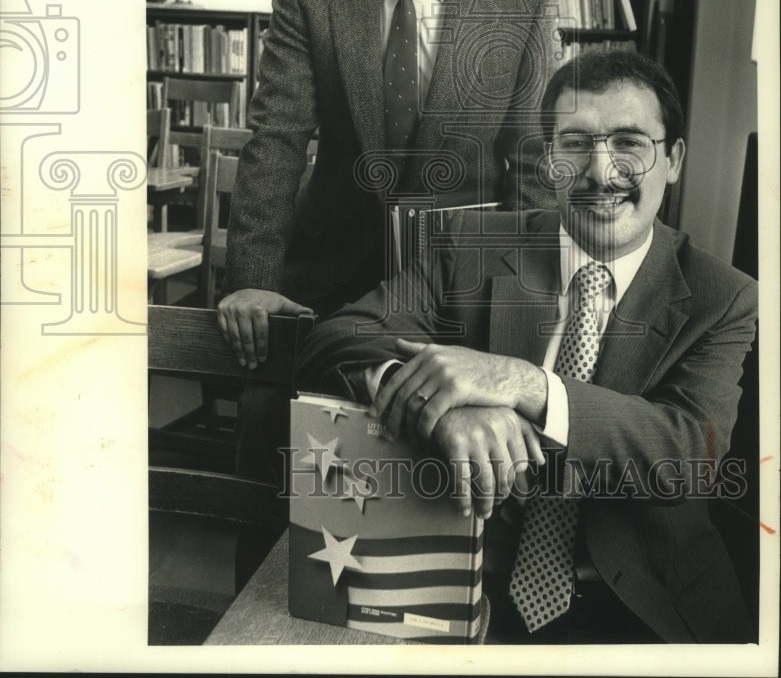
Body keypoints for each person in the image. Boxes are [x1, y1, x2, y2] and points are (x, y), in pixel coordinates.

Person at [296, 49, 758, 644]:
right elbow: (333, 339)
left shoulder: (723, 296)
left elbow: (690, 458)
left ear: (672, 161)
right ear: (546, 163)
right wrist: (442, 405)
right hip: (466, 579)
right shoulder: (468, 244)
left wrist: (526, 384)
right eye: (574, 144)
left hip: (645, 604)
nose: (600, 171)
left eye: (629, 143)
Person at [218, 0, 560, 369]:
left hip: (461, 302)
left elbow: (532, 171)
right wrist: (252, 281)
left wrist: (515, 316)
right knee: (287, 447)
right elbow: (276, 141)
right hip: (321, 291)